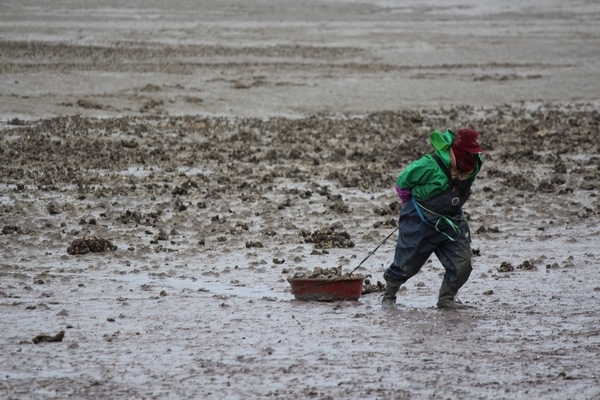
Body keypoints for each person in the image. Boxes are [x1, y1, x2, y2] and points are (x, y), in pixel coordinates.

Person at [382, 128, 484, 309]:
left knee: (462, 263)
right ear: (458, 150)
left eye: (476, 155)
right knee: (406, 262)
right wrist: (412, 210)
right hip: (420, 218)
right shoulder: (430, 165)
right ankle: (389, 296)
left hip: (451, 220)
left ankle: (446, 298)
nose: (473, 159)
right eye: (469, 154)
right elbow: (402, 184)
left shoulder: (476, 165)